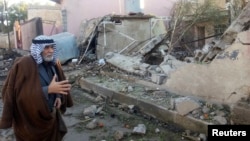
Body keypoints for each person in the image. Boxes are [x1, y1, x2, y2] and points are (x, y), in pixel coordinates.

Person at [0, 35, 73, 141]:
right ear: (38, 48)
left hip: (49, 116)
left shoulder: (52, 64)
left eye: (52, 47)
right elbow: (19, 96)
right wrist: (48, 90)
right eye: (46, 47)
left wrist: (57, 95)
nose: (51, 51)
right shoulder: (24, 65)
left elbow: (56, 83)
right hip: (31, 122)